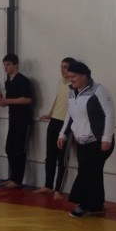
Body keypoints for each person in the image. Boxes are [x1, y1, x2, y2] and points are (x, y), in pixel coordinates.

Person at [58, 61, 115, 217]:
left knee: (86, 172)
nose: (71, 79)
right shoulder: (72, 93)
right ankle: (96, 205)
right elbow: (69, 115)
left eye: (74, 76)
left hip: (98, 141)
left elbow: (109, 113)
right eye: (69, 77)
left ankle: (83, 204)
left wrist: (107, 138)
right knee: (93, 173)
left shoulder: (99, 90)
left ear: (84, 75)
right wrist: (62, 134)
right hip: (81, 142)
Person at [34, 57, 75, 200]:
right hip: (54, 121)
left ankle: (58, 189)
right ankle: (48, 185)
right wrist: (50, 114)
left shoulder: (74, 84)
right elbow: (58, 99)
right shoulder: (60, 82)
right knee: (50, 155)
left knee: (62, 158)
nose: (62, 70)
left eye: (66, 67)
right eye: (61, 67)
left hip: (66, 123)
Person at [0, 54, 33, 188]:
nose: (6, 67)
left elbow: (27, 99)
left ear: (16, 65)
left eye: (8, 64)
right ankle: (13, 177)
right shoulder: (8, 82)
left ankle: (17, 180)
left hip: (23, 119)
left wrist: (8, 101)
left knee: (19, 149)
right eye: (4, 65)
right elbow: (10, 100)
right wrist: (1, 101)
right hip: (13, 118)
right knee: (9, 148)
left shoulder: (23, 80)